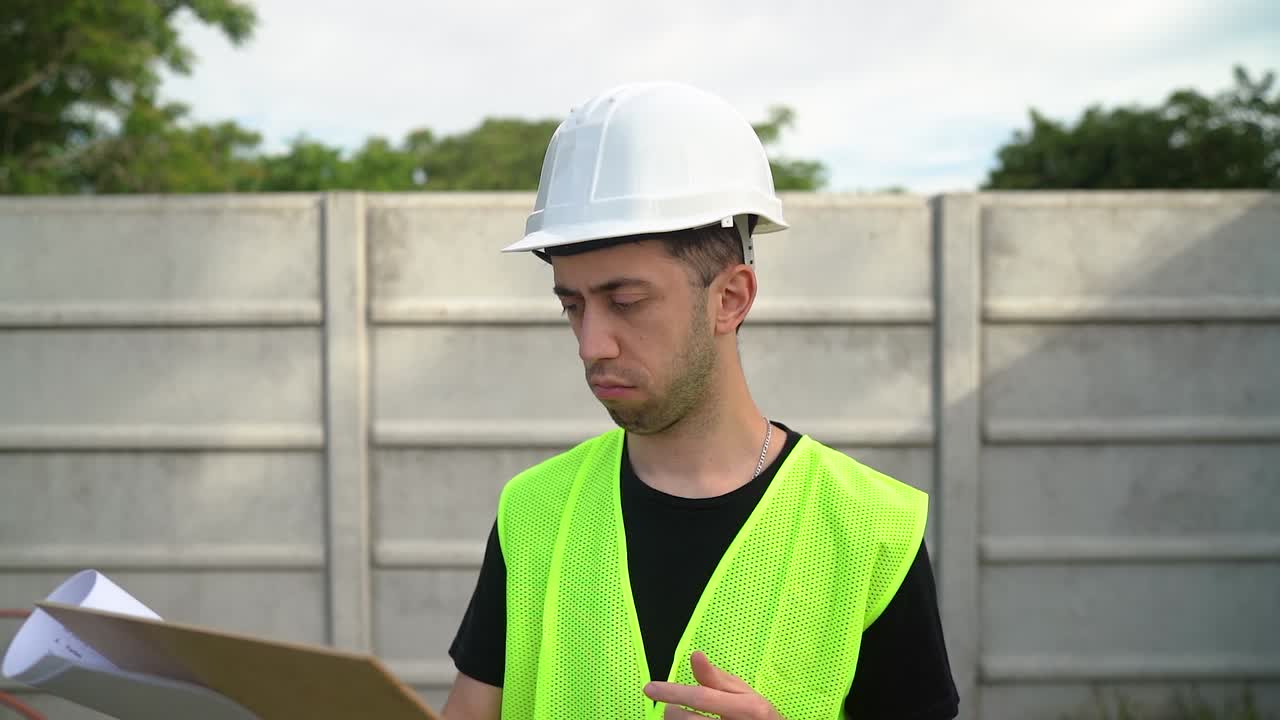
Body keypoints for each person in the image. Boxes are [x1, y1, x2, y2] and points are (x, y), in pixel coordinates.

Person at [441, 82, 958, 720]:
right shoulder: (534, 511)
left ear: (731, 298)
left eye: (626, 302)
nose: (592, 343)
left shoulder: (871, 529)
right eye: (571, 305)